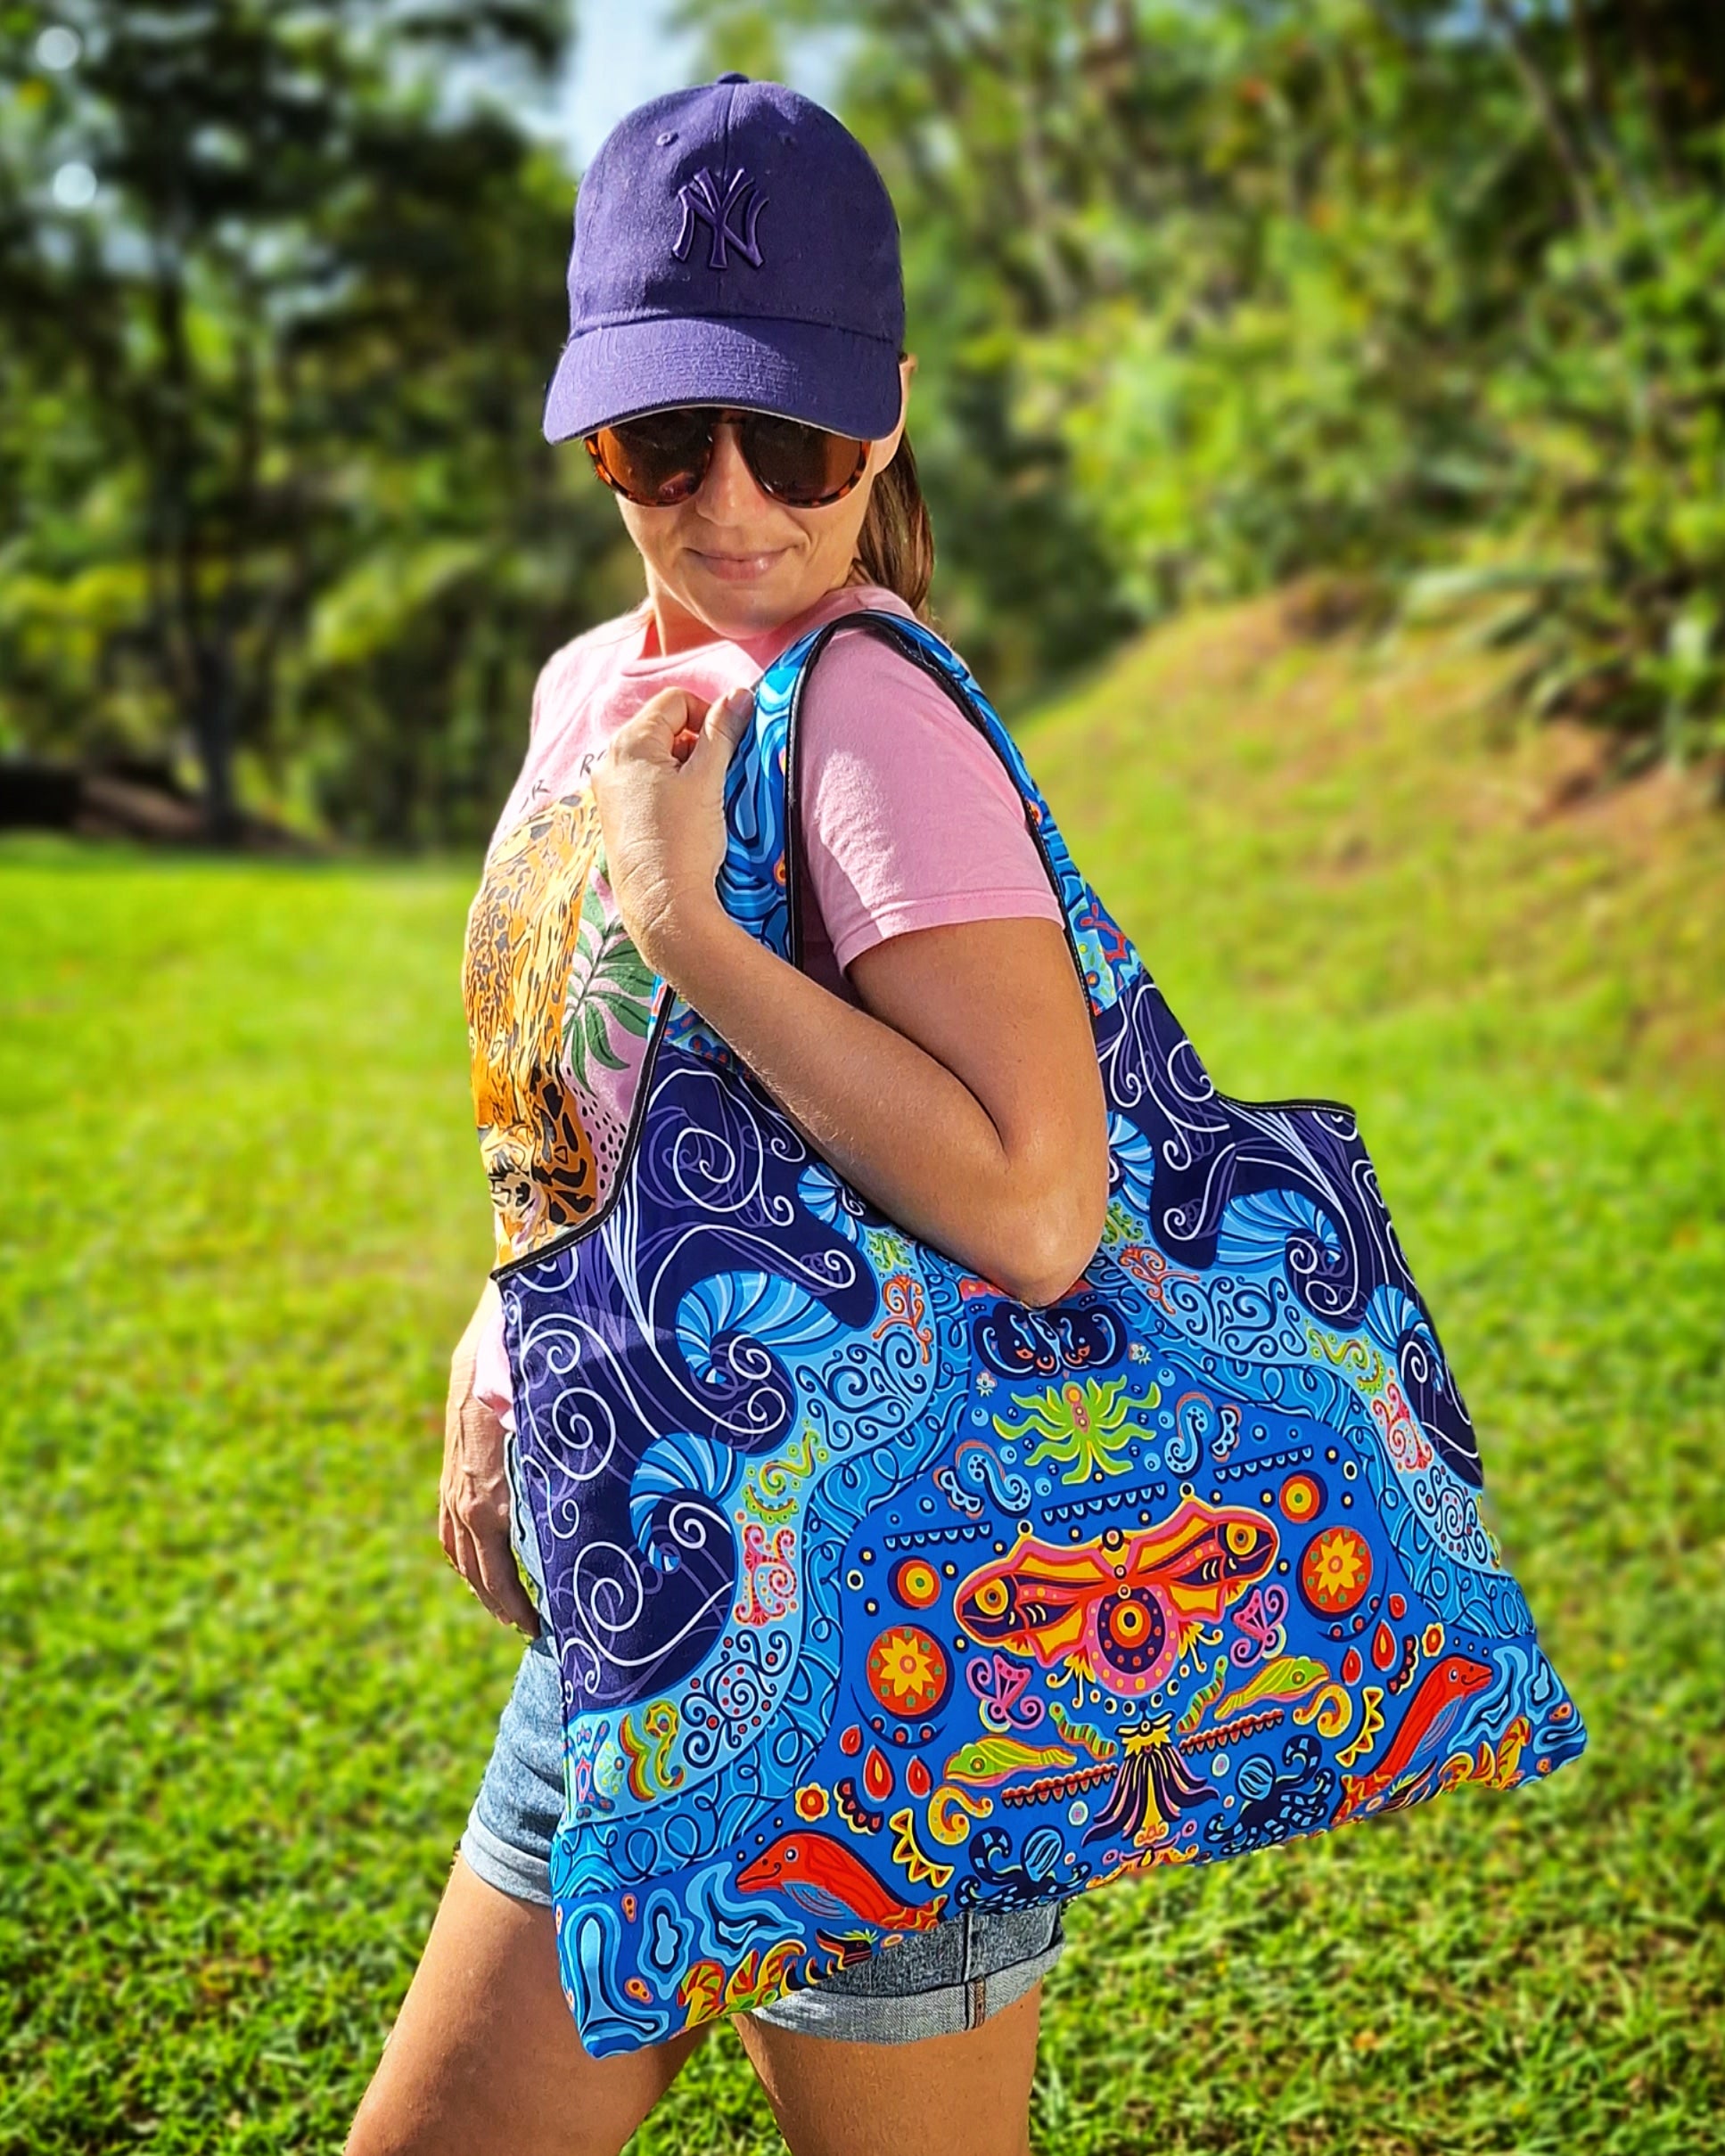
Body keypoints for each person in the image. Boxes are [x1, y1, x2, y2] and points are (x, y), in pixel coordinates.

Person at [347, 73, 1109, 2156]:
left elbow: (1036, 1202)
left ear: (888, 418)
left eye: (796, 441)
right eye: (661, 440)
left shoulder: (868, 721)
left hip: (878, 1660)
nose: (732, 504)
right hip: (639, 1618)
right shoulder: (581, 690)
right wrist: (501, 1317)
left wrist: (686, 920)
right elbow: (586, 1110)